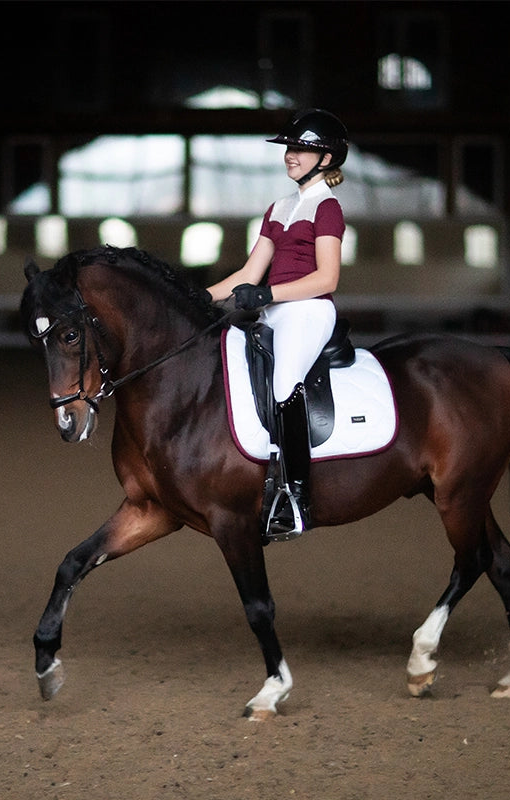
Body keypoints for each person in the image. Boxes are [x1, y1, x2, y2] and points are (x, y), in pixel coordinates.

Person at [207, 108, 348, 535]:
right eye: (289, 147)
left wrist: (267, 294)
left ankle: (297, 494)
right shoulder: (279, 207)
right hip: (273, 311)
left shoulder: (327, 208)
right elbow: (247, 276)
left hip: (308, 311)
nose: (290, 155)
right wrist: (196, 297)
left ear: (325, 158)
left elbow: (328, 277)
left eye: (301, 148)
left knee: (285, 382)